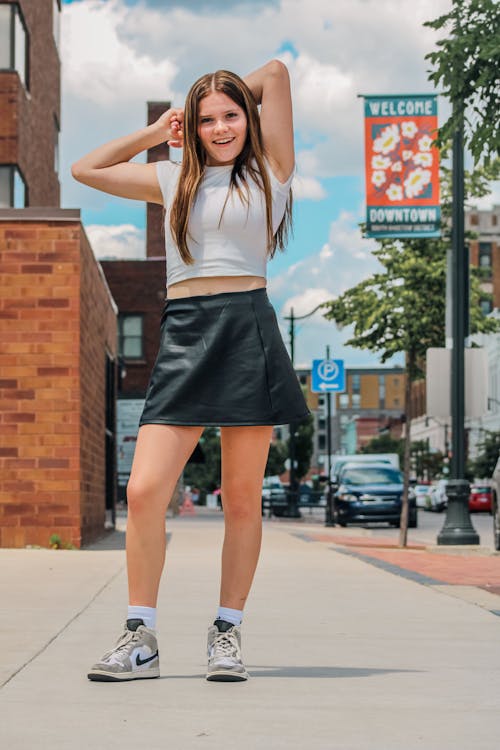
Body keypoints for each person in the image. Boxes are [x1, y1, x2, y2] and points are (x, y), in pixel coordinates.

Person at [72, 59, 310, 683]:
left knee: (240, 499)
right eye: (208, 119)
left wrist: (219, 85)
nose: (221, 127)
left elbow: (277, 72)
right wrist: (159, 130)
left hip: (247, 329)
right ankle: (140, 636)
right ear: (193, 127)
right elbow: (85, 169)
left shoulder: (271, 172)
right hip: (184, 332)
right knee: (145, 490)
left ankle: (226, 632)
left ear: (249, 119)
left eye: (232, 114)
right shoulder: (171, 176)